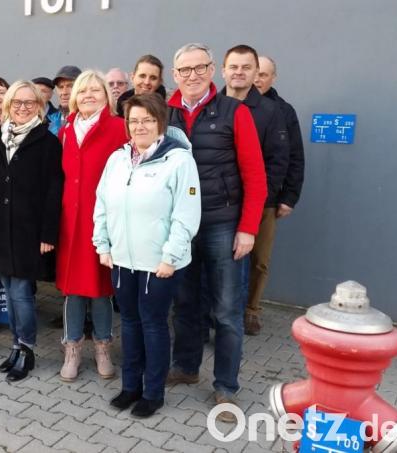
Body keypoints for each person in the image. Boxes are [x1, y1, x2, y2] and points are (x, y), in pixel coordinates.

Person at [166, 43, 266, 422]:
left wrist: (248, 229)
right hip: (181, 226)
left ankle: (226, 386)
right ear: (175, 75)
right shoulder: (166, 113)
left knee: (226, 311)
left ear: (212, 70)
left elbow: (255, 175)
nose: (192, 75)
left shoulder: (234, 112)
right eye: (184, 69)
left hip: (223, 223)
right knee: (185, 303)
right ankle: (185, 367)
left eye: (199, 67)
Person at [94, 93, 201, 418]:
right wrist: (103, 245)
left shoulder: (179, 160)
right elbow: (102, 203)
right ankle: (131, 387)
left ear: (160, 123)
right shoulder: (118, 159)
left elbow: (186, 214)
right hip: (123, 260)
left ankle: (153, 393)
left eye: (147, 120)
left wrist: (170, 257)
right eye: (134, 121)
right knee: (129, 322)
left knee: (153, 324)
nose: (140, 126)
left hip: (159, 263)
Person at [0, 80, 64, 382]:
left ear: (39, 106)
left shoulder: (48, 143)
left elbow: (54, 192)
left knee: (21, 292)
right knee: (8, 291)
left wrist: (48, 233)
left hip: (28, 231)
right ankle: (15, 344)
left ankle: (27, 347)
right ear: (9, 105)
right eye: (17, 102)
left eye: (29, 103)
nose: (23, 108)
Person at [56, 70, 127, 382]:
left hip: (103, 221)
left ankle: (102, 347)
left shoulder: (118, 128)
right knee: (72, 289)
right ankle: (72, 347)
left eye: (95, 90)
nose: (88, 95)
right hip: (71, 221)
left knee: (101, 288)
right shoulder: (66, 130)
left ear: (106, 96)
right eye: (82, 91)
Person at [221, 45, 290, 336]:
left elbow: (279, 159)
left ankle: (249, 311)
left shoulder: (271, 111)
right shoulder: (212, 105)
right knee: (220, 264)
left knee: (256, 261)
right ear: (223, 71)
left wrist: (263, 199)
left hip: (258, 204)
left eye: (246, 67)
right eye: (233, 67)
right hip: (220, 204)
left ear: (255, 73)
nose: (239, 73)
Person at [247, 54, 305, 334]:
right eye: (255, 72)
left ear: (273, 78)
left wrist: (289, 197)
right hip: (229, 198)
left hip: (267, 200)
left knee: (259, 259)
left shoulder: (283, 111)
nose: (257, 79)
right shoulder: (226, 103)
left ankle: (251, 310)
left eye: (264, 74)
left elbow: (294, 157)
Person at [47, 65, 81, 135]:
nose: (64, 92)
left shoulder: (89, 120)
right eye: (60, 87)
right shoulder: (48, 120)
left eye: (70, 86)